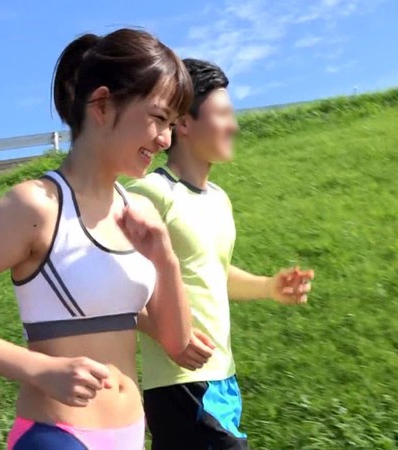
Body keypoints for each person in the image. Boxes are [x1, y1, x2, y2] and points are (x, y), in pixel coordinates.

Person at [0, 28, 196, 450]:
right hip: (57, 436)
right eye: (157, 118)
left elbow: (176, 342)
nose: (165, 139)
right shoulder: (35, 207)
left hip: (129, 434)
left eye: (170, 125)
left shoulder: (140, 214)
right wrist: (40, 370)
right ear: (101, 104)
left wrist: (164, 258)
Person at [129, 58, 315, 450]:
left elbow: (211, 271)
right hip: (180, 384)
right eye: (223, 114)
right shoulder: (151, 194)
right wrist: (168, 333)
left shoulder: (218, 199)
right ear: (184, 123)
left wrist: (269, 287)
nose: (234, 125)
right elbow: (110, 284)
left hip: (222, 378)